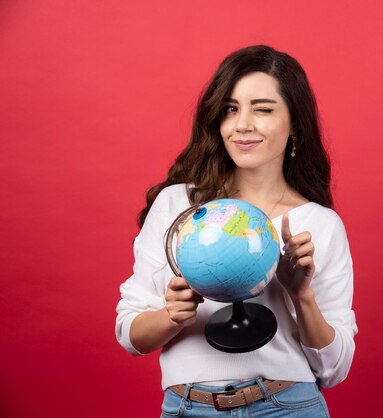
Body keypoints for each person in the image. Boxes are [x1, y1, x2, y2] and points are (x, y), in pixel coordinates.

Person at [115, 45, 357, 417]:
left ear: (295, 123)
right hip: (188, 408)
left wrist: (300, 295)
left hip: (287, 405)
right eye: (231, 109)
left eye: (262, 109)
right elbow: (130, 334)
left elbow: (333, 369)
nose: (243, 124)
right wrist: (171, 315)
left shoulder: (320, 225)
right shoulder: (178, 207)